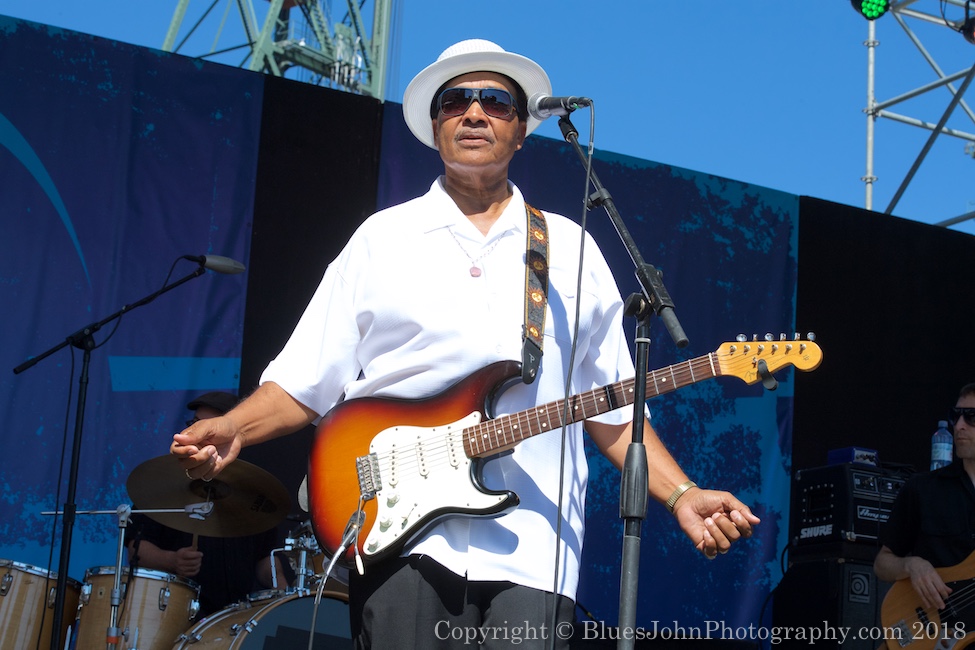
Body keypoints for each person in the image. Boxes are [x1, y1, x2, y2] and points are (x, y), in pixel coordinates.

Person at [171, 39, 760, 647]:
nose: (474, 113)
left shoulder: (571, 248)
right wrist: (237, 427)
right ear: (436, 124)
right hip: (402, 538)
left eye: (497, 103)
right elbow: (303, 378)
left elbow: (611, 408)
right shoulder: (384, 237)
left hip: (538, 547)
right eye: (456, 101)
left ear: (522, 130)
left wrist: (682, 493)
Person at [127, 391, 290, 618]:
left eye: (206, 426)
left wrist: (280, 586)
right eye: (194, 423)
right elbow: (136, 547)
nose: (196, 431)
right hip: (172, 612)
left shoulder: (255, 491)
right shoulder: (165, 483)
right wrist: (172, 560)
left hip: (235, 619)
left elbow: (264, 558)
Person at [874, 383, 975, 612]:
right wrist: (911, 565)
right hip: (931, 633)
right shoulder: (923, 488)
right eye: (955, 416)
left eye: (971, 418)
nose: (959, 426)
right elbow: (882, 564)